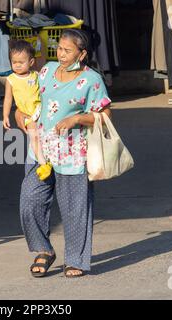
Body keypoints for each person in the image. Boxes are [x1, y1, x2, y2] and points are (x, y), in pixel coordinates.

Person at [15, 29, 113, 278]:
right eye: (59, 48)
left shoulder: (92, 80)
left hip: (73, 154)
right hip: (41, 152)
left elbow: (105, 114)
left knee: (75, 209)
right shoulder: (45, 71)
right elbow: (26, 104)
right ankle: (44, 250)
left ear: (82, 53)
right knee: (29, 201)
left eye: (67, 50)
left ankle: (76, 260)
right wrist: (21, 118)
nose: (61, 54)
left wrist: (78, 118)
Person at [3, 40, 53, 181]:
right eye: (14, 62)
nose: (17, 65)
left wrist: (41, 44)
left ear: (31, 62)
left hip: (41, 110)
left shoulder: (36, 75)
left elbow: (43, 62)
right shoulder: (11, 79)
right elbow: (8, 99)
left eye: (21, 62)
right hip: (27, 114)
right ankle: (44, 164)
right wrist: (5, 115)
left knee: (44, 136)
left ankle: (46, 159)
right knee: (34, 137)